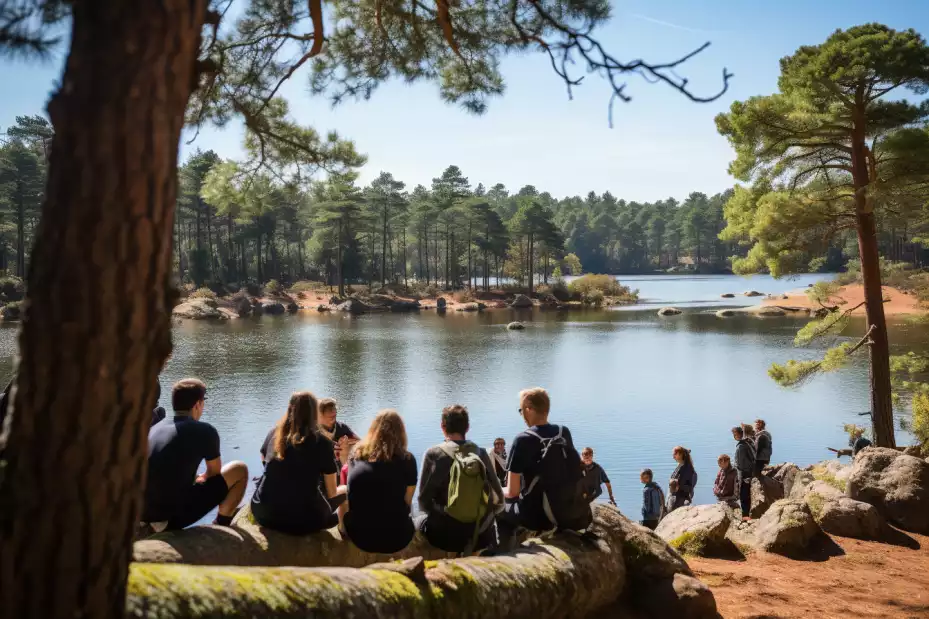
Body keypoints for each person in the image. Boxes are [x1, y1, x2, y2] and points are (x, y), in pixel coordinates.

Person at [142, 379, 248, 531]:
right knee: (239, 470)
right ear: (198, 404)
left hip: (141, 513)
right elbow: (214, 473)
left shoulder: (156, 427)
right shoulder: (205, 431)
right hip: (166, 519)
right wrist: (201, 478)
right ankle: (222, 524)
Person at [497, 387, 591, 547]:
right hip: (566, 511)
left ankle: (505, 554)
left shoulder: (522, 440)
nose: (522, 415)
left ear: (529, 409)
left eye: (521, 410)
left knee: (498, 508)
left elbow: (513, 492)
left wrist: (494, 491)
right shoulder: (563, 433)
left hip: (537, 517)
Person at [250, 391, 345, 535]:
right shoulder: (322, 442)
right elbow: (332, 492)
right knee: (346, 490)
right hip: (302, 521)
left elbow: (264, 458)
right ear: (315, 413)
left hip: (263, 513)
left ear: (289, 409)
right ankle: (344, 535)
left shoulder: (274, 433)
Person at [417, 405, 504, 553]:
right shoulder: (480, 453)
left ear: (442, 427)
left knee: (417, 521)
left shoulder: (433, 454)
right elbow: (499, 501)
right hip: (480, 536)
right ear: (467, 427)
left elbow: (423, 503)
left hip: (445, 538)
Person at [339, 409, 418, 553]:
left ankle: (342, 531)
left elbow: (351, 493)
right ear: (401, 433)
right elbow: (407, 500)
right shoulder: (408, 460)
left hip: (360, 538)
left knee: (343, 490)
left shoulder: (355, 456)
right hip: (398, 539)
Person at [317, 398, 358, 468]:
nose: (333, 412)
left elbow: (360, 443)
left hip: (339, 469)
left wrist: (346, 442)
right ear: (319, 414)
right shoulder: (313, 431)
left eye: (334, 409)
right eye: (329, 410)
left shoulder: (342, 428)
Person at [733, 426, 756, 522]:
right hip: (749, 472)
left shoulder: (741, 447)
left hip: (744, 474)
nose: (734, 436)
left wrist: (741, 475)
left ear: (738, 434)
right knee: (746, 495)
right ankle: (746, 515)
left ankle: (745, 516)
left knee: (743, 496)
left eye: (734, 434)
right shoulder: (748, 442)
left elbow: (740, 463)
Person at [669, 446, 697, 510]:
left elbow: (685, 485)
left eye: (674, 454)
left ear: (680, 454)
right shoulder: (680, 465)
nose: (673, 457)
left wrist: (676, 485)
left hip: (681, 498)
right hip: (676, 497)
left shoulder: (686, 469)